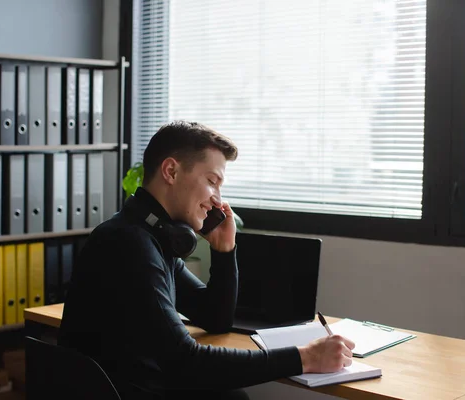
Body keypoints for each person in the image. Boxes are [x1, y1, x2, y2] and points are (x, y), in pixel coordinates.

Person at [58, 120, 355, 399]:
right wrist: (305, 358)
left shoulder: (149, 235)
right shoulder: (130, 243)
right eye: (212, 181)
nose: (217, 199)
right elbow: (186, 361)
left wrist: (224, 250)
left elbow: (215, 318)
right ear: (171, 172)